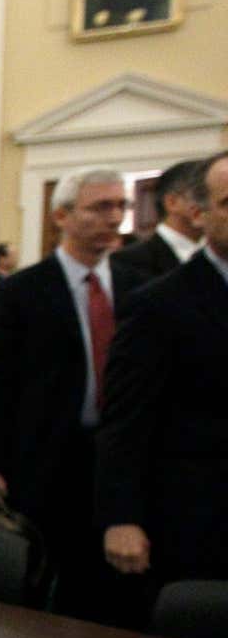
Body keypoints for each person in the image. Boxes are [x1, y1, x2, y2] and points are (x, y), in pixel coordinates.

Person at [0, 166, 146, 627]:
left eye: (121, 207)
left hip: (123, 460)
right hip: (47, 460)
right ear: (62, 216)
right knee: (47, 596)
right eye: (100, 207)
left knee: (115, 597)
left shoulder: (139, 287)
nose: (114, 218)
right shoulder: (22, 291)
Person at [96, 150, 228, 610]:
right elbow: (125, 418)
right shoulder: (160, 303)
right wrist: (121, 517)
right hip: (197, 516)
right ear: (200, 214)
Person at [112, 158, 204, 281]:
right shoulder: (126, 262)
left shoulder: (216, 257)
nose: (211, 204)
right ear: (172, 202)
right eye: (203, 195)